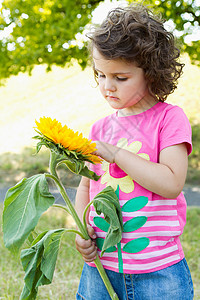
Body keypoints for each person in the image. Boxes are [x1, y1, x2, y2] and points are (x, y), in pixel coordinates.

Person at [75, 4, 194, 300]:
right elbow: (86, 186)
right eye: (100, 75)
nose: (107, 87)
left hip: (159, 272)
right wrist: (81, 229)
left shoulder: (169, 119)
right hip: (100, 269)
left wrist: (118, 156)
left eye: (120, 77)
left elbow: (171, 183)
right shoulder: (99, 129)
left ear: (150, 72)